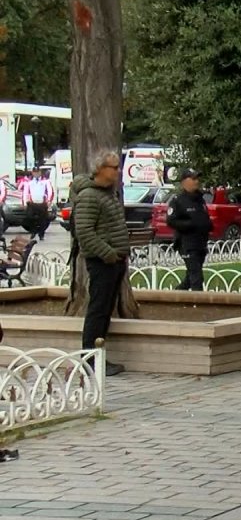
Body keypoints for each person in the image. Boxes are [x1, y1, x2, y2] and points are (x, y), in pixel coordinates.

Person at [71, 150, 130, 377]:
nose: (118, 171)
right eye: (114, 167)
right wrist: (108, 254)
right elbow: (85, 232)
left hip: (115, 261)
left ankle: (98, 356)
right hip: (102, 262)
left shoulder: (108, 193)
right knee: (98, 310)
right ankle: (89, 359)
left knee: (105, 310)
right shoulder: (89, 196)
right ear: (100, 169)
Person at [165, 169, 213, 290]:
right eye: (193, 179)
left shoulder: (200, 199)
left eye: (197, 178)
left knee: (190, 278)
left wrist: (207, 225)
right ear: (184, 182)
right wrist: (190, 225)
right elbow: (171, 221)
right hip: (187, 244)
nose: (197, 181)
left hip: (200, 243)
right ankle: (198, 300)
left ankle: (176, 295)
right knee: (196, 277)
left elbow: (203, 218)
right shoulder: (178, 200)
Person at [23, 168, 53, 241]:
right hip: (32, 203)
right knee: (30, 218)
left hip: (42, 203)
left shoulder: (45, 181)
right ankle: (33, 231)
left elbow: (50, 191)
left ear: (40, 172)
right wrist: (25, 202)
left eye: (38, 172)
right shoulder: (29, 182)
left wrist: (49, 201)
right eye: (34, 172)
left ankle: (41, 234)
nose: (36, 174)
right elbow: (25, 192)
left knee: (43, 220)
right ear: (32, 173)